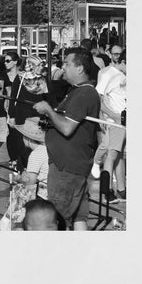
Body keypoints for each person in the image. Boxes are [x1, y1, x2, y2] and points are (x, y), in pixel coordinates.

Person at [32, 48, 102, 229]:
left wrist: (47, 110)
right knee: (79, 219)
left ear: (80, 69)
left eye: (67, 63)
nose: (63, 67)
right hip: (71, 167)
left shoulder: (84, 93)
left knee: (56, 221)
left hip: (67, 169)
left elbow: (66, 127)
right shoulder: (76, 92)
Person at [93, 47, 128, 204]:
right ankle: (107, 191)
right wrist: (113, 116)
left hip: (122, 120)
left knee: (118, 155)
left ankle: (121, 189)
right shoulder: (109, 74)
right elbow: (97, 98)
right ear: (123, 62)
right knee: (112, 155)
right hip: (117, 121)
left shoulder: (122, 75)